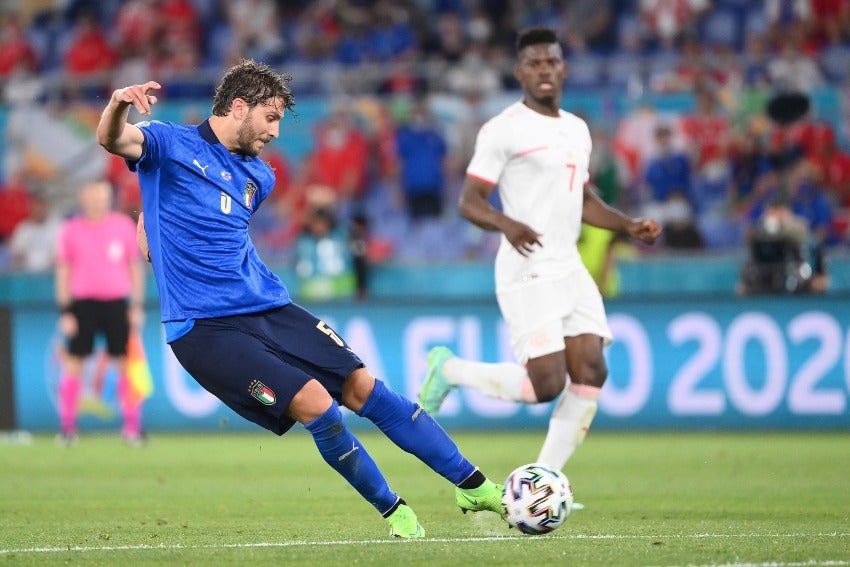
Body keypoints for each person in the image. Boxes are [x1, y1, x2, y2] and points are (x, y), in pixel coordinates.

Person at [95, 59, 503, 539]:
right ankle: (397, 512)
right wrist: (118, 104)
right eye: (270, 119)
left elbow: (200, 228)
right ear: (239, 106)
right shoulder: (169, 143)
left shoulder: (259, 177)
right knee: (319, 406)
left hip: (268, 308)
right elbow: (113, 140)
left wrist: (155, 235)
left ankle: (472, 483)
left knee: (363, 386)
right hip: (205, 330)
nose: (274, 132)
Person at [418, 28, 662, 500]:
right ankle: (450, 371)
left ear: (563, 68)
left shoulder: (576, 128)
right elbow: (470, 202)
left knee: (591, 370)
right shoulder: (504, 129)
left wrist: (627, 224)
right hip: (526, 266)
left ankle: (544, 482)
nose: (544, 70)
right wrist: (508, 225)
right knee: (547, 383)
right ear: (520, 72)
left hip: (568, 264)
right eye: (534, 63)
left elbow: (582, 197)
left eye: (551, 61)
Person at [55, 180, 146, 446]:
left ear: (110, 197)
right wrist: (65, 311)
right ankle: (68, 428)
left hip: (116, 303)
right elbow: (63, 272)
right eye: (92, 194)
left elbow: (135, 268)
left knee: (125, 364)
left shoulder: (122, 226)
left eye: (102, 195)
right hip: (82, 305)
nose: (97, 200)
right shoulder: (71, 230)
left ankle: (132, 428)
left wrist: (136, 306)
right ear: (83, 197)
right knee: (75, 364)